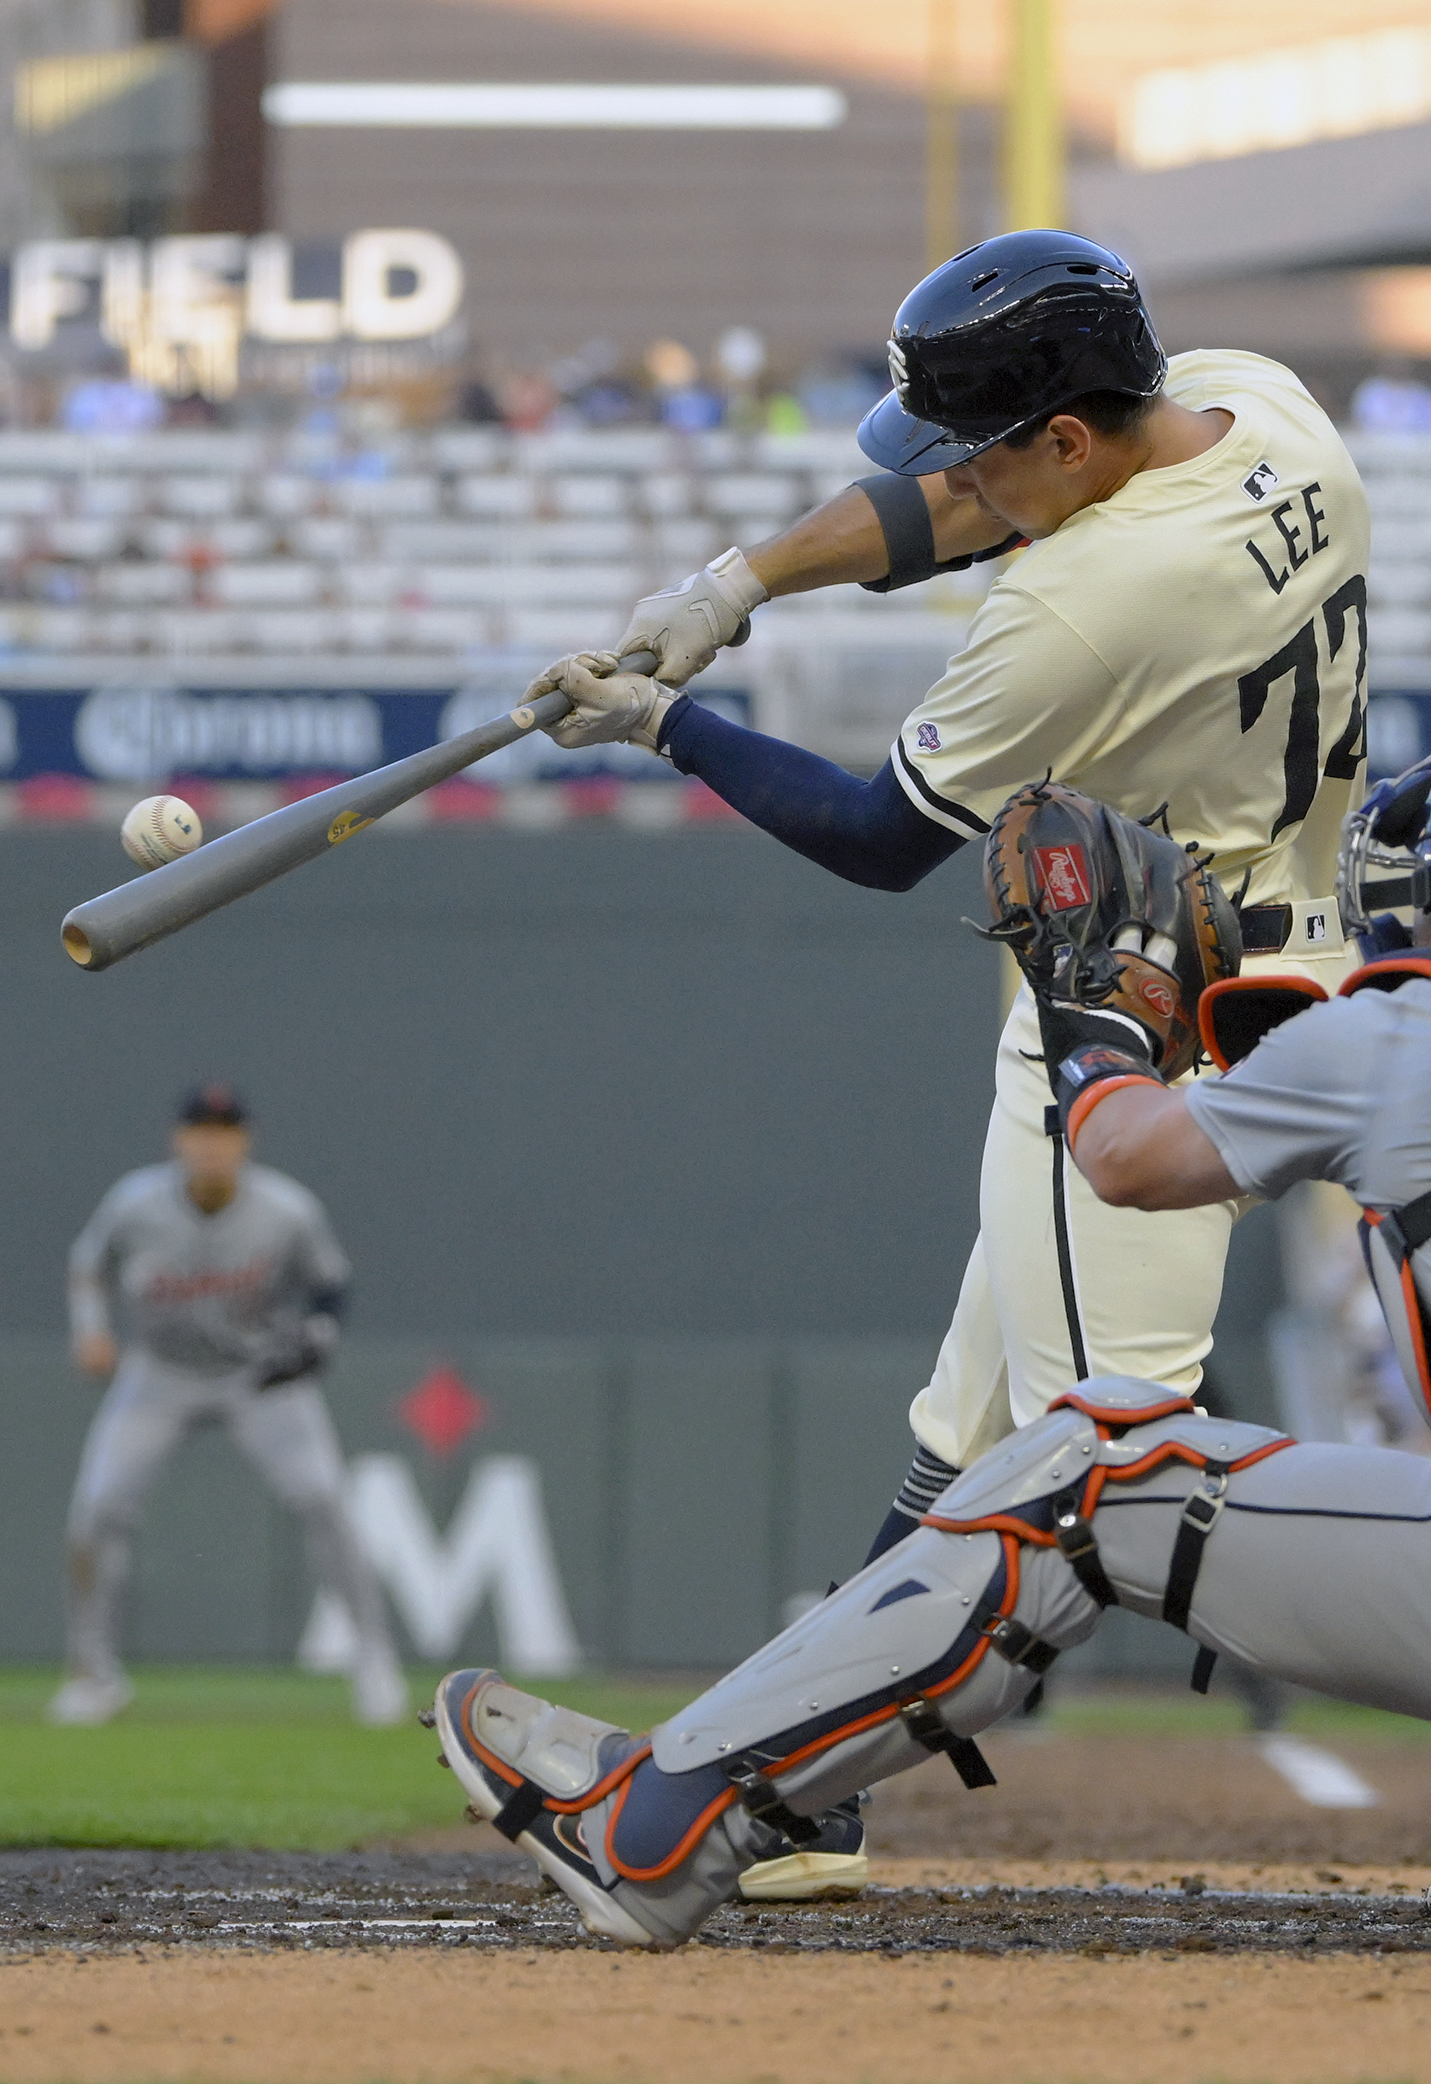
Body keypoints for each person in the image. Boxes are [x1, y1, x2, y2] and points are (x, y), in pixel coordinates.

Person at [426, 741, 1431, 1951]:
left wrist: (1098, 1006)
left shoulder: (1407, 1028)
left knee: (1091, 1459)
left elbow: (1126, 1156)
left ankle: (655, 1827)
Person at [515, 230, 1370, 1898]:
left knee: (1103, 1477)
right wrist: (737, 585)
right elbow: (973, 501)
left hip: (1137, 1020)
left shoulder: (1082, 600)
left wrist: (666, 723)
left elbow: (870, 835)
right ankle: (794, 1791)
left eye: (986, 445)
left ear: (1067, 440)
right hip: (1296, 951)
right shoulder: (1264, 411)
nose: (957, 485)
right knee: (965, 1428)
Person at [56, 1084, 402, 1728]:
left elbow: (330, 1283)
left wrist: (319, 1334)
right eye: (200, 1132)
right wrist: (91, 1329)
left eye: (225, 1132)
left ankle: (374, 1661)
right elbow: (88, 1261)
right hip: (160, 1375)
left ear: (245, 1143)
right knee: (97, 1508)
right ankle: (91, 1674)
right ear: (178, 1141)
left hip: (257, 1378)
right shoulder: (136, 1204)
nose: (212, 1145)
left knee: (326, 1499)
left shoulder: (287, 1210)